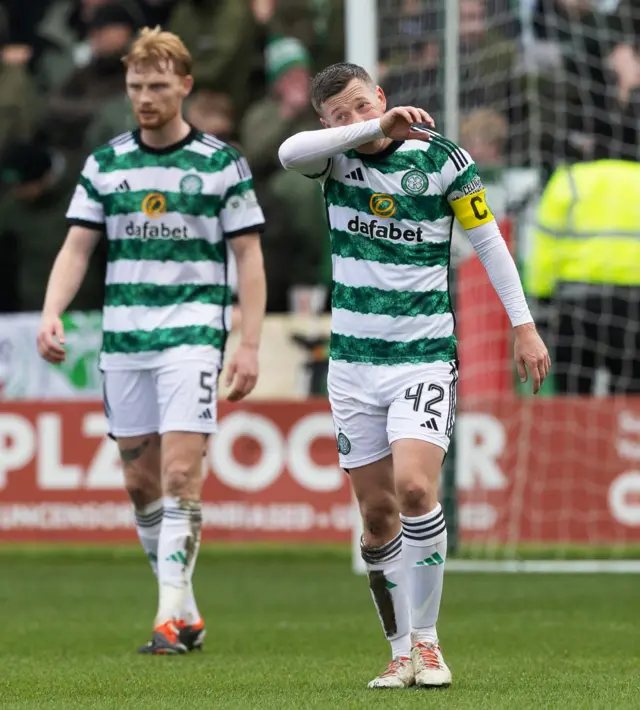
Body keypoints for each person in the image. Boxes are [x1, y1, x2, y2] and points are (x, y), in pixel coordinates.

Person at [278, 62, 549, 689]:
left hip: (422, 355)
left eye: (359, 105)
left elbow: (488, 243)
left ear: (381, 93)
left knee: (415, 492)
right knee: (376, 518)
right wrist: (360, 130)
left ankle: (427, 644)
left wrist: (523, 324)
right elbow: (288, 151)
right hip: (352, 364)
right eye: (337, 115)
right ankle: (397, 649)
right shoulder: (330, 160)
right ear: (327, 123)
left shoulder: (444, 159)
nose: (352, 120)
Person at [37, 27, 267, 654]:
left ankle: (166, 618)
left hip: (193, 333)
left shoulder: (222, 163)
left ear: (185, 86)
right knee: (140, 485)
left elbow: (248, 257)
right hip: (124, 337)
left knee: (179, 474)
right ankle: (186, 613)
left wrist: (247, 344)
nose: (145, 97)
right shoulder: (107, 162)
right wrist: (52, 312)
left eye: (159, 86)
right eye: (137, 86)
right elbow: (78, 245)